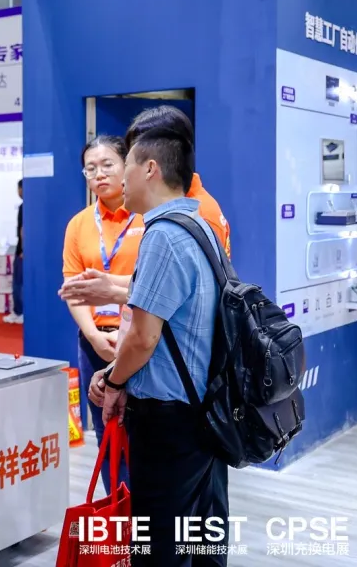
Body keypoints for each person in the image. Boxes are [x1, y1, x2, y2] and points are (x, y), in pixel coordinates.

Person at [91, 119, 228, 566]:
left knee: (159, 546)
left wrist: (113, 381)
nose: (119, 178)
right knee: (202, 538)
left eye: (126, 164)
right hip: (203, 409)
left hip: (169, 419)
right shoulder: (199, 225)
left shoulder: (163, 236)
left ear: (150, 169)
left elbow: (143, 338)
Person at [59, 106, 230, 311]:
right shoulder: (168, 211)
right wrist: (110, 281)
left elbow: (195, 293)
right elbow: (158, 281)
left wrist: (113, 293)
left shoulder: (199, 212)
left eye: (132, 160)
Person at [57, 136, 135, 495]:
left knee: (141, 431)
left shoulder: (149, 216)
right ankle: (118, 512)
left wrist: (123, 337)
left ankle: (146, 518)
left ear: (127, 166)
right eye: (90, 169)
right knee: (105, 431)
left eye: (107, 165)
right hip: (95, 342)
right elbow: (73, 287)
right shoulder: (78, 224)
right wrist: (93, 336)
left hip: (142, 339)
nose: (99, 174)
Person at [4, 179, 24, 324]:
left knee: (18, 283)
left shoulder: (24, 207)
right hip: (25, 250)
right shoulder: (32, 206)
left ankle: (19, 311)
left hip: (22, 252)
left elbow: (23, 230)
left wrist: (23, 249)